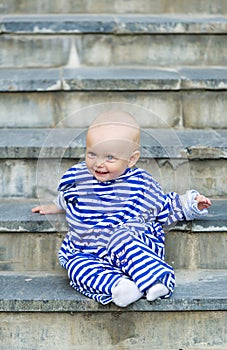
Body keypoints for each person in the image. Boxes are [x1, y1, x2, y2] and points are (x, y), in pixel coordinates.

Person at [32, 110, 211, 307]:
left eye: (110, 158)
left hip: (131, 245)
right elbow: (67, 198)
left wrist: (190, 204)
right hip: (90, 250)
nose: (98, 164)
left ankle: (156, 281)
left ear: (131, 159)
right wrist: (55, 206)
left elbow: (163, 207)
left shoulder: (140, 184)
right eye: (92, 154)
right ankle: (120, 286)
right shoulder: (78, 178)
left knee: (121, 237)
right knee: (75, 264)